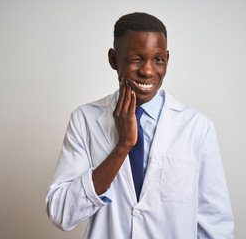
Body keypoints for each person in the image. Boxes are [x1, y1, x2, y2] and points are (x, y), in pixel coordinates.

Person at [46, 12, 234, 238]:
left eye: (158, 60)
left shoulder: (196, 126)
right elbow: (61, 213)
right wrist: (122, 146)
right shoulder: (84, 120)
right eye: (136, 59)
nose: (147, 71)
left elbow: (215, 223)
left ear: (167, 59)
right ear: (114, 59)